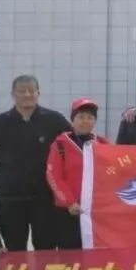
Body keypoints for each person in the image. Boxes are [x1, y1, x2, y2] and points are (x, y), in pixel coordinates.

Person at [0, 75, 72, 251]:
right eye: (22, 91)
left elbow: (71, 144)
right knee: (15, 250)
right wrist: (1, 158)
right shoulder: (1, 122)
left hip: (45, 198)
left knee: (46, 249)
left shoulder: (53, 119)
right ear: (13, 94)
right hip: (11, 199)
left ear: (38, 93)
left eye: (31, 91)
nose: (27, 95)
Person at [45, 98, 107, 250]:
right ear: (72, 120)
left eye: (90, 117)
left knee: (95, 251)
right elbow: (53, 176)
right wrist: (70, 201)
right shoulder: (60, 144)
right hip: (69, 211)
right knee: (70, 253)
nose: (85, 121)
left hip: (95, 210)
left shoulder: (103, 144)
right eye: (81, 117)